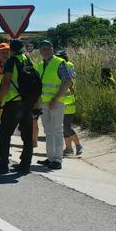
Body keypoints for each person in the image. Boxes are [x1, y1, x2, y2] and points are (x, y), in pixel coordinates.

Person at [0, 39, 35, 175]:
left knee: (4, 134)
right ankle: (25, 165)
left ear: (12, 50)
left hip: (14, 103)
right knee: (27, 136)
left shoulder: (12, 61)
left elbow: (6, 82)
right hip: (27, 103)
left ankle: (3, 165)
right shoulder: (27, 60)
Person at [35, 40, 73, 170]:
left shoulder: (59, 63)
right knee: (48, 131)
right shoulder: (40, 65)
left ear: (52, 49)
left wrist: (56, 99)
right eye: (43, 48)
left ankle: (57, 160)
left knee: (57, 131)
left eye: (48, 48)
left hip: (56, 103)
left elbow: (68, 81)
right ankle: (50, 158)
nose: (45, 50)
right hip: (44, 103)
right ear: (40, 51)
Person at [57, 50, 83, 156]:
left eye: (59, 57)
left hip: (67, 102)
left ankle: (78, 145)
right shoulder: (69, 65)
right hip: (66, 101)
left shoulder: (64, 66)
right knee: (64, 127)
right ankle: (68, 149)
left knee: (66, 127)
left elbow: (67, 83)